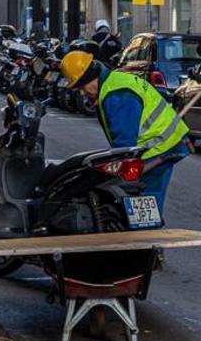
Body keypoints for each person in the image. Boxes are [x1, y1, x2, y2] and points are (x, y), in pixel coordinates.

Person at [59, 49, 190, 218]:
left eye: (82, 87)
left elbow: (125, 145)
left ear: (90, 77)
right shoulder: (114, 82)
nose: (83, 93)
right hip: (166, 145)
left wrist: (118, 170)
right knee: (146, 202)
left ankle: (143, 237)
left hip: (158, 150)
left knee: (141, 204)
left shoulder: (116, 95)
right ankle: (145, 234)